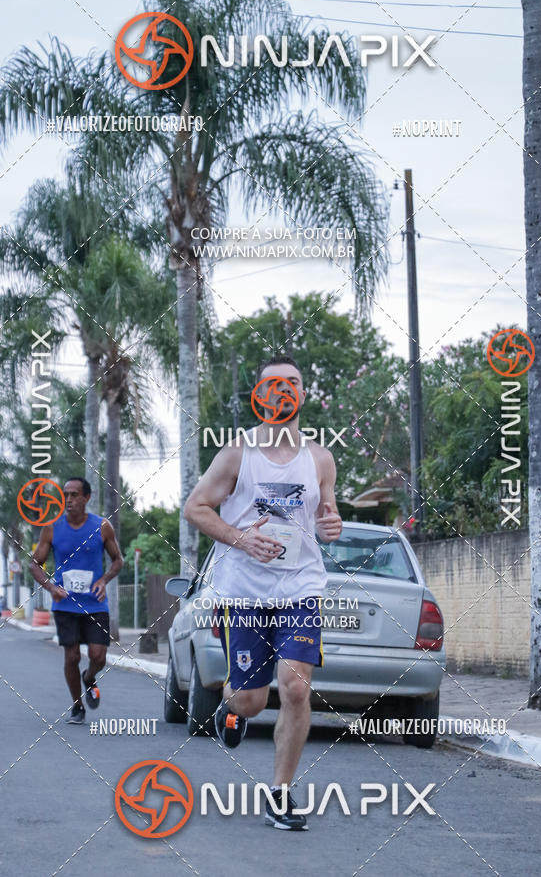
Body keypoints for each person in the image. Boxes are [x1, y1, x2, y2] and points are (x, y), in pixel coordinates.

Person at [184, 355, 342, 830]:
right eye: (274, 383)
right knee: (251, 700)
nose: (283, 390)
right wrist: (242, 538)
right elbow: (196, 507)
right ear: (260, 394)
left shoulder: (320, 458)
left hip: (300, 588)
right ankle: (231, 710)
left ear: (303, 394)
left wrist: (331, 525)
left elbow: (326, 516)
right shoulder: (237, 454)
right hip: (245, 593)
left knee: (295, 687)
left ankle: (280, 793)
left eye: (292, 382)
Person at [29, 477, 123, 724]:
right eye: (65, 495)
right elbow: (34, 564)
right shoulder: (52, 528)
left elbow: (117, 560)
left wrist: (104, 579)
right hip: (65, 605)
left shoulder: (102, 526)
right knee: (71, 657)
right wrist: (51, 587)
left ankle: (89, 677)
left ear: (86, 498)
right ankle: (77, 706)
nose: (68, 500)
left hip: (95, 604)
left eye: (74, 494)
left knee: (98, 657)